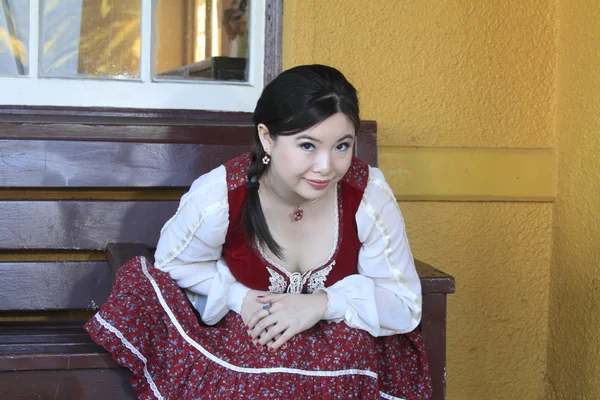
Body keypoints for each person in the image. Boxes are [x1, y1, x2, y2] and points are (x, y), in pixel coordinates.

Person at [85, 64, 432, 399]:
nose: (327, 167)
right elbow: (175, 265)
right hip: (246, 345)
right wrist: (241, 297)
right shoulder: (221, 197)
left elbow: (402, 301)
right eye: (308, 145)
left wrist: (323, 303)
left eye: (342, 146)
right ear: (267, 138)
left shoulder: (367, 195)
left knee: (354, 350)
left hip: (339, 353)